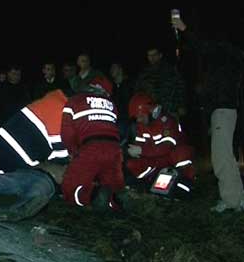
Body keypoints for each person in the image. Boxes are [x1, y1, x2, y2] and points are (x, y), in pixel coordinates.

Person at [172, 16, 244, 213]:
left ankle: (231, 201)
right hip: (223, 110)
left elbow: (200, 46)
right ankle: (237, 198)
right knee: (226, 156)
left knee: (221, 158)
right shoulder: (231, 56)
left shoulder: (225, 53)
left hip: (223, 109)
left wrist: (183, 28)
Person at [60, 75, 128, 212]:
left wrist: (73, 152)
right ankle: (115, 204)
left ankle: (92, 197)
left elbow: (67, 133)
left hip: (90, 148)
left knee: (71, 186)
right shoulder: (112, 105)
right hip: (114, 149)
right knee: (114, 184)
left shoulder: (74, 101)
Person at [125, 92, 195, 193]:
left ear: (151, 111)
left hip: (171, 158)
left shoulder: (168, 122)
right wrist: (133, 152)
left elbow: (167, 147)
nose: (139, 120)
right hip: (156, 161)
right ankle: (147, 184)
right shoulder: (140, 127)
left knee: (183, 153)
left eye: (141, 116)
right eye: (137, 117)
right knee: (132, 164)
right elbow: (140, 145)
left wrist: (141, 150)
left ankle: (185, 183)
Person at [134, 46, 186, 121]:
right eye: (149, 55)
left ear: (160, 55)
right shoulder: (144, 74)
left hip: (170, 110)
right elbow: (138, 93)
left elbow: (180, 88)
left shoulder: (170, 71)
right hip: (151, 113)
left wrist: (181, 105)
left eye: (154, 55)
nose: (152, 58)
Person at [109, 62, 134, 146]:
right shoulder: (112, 86)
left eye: (114, 68)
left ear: (120, 69)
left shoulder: (129, 84)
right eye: (111, 69)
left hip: (126, 119)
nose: (111, 71)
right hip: (115, 119)